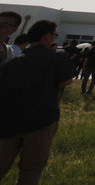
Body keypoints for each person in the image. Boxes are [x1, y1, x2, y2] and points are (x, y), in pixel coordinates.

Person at [0, 20, 75, 185]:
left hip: (8, 122)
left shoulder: (13, 62)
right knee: (31, 169)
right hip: (41, 119)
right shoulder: (57, 57)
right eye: (54, 35)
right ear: (46, 37)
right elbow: (66, 81)